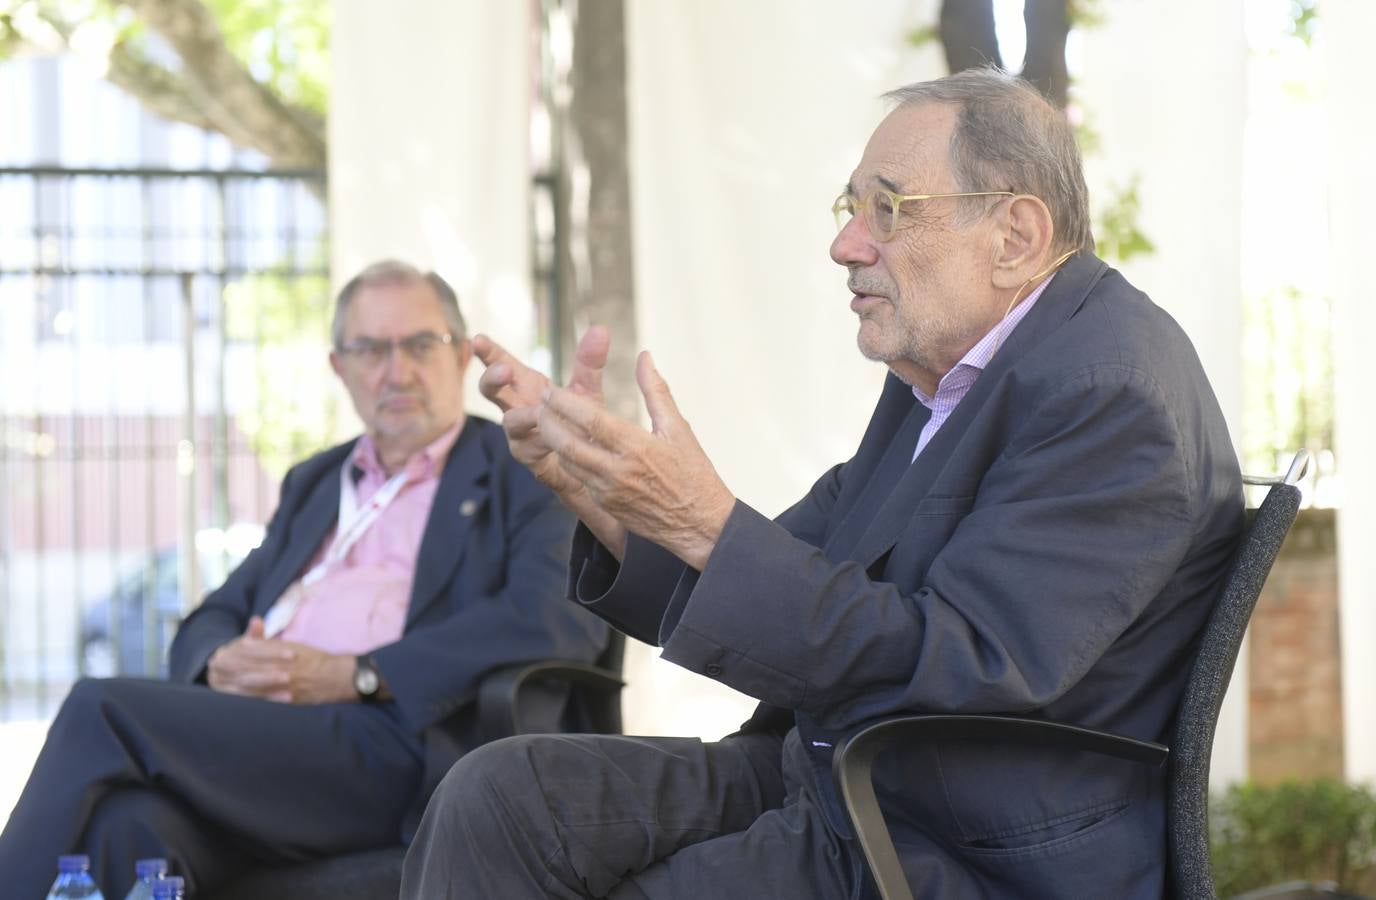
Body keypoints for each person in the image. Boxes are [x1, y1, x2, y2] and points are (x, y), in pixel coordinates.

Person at [400, 70, 1243, 898]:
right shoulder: (943, 375)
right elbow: (786, 568)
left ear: (1015, 236)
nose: (847, 245)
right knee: (499, 799)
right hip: (839, 778)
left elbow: (965, 666)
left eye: (891, 209)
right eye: (852, 208)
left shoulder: (1109, 390)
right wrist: (606, 495)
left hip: (955, 841)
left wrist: (703, 519)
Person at [0, 260, 608, 898]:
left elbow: (556, 618)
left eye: (419, 344)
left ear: (460, 356)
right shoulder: (318, 482)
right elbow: (215, 613)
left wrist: (362, 674)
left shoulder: (520, 469)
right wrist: (219, 661)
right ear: (339, 367)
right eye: (370, 349)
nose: (397, 371)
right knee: (128, 826)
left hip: (398, 744)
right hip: (271, 744)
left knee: (100, 709)